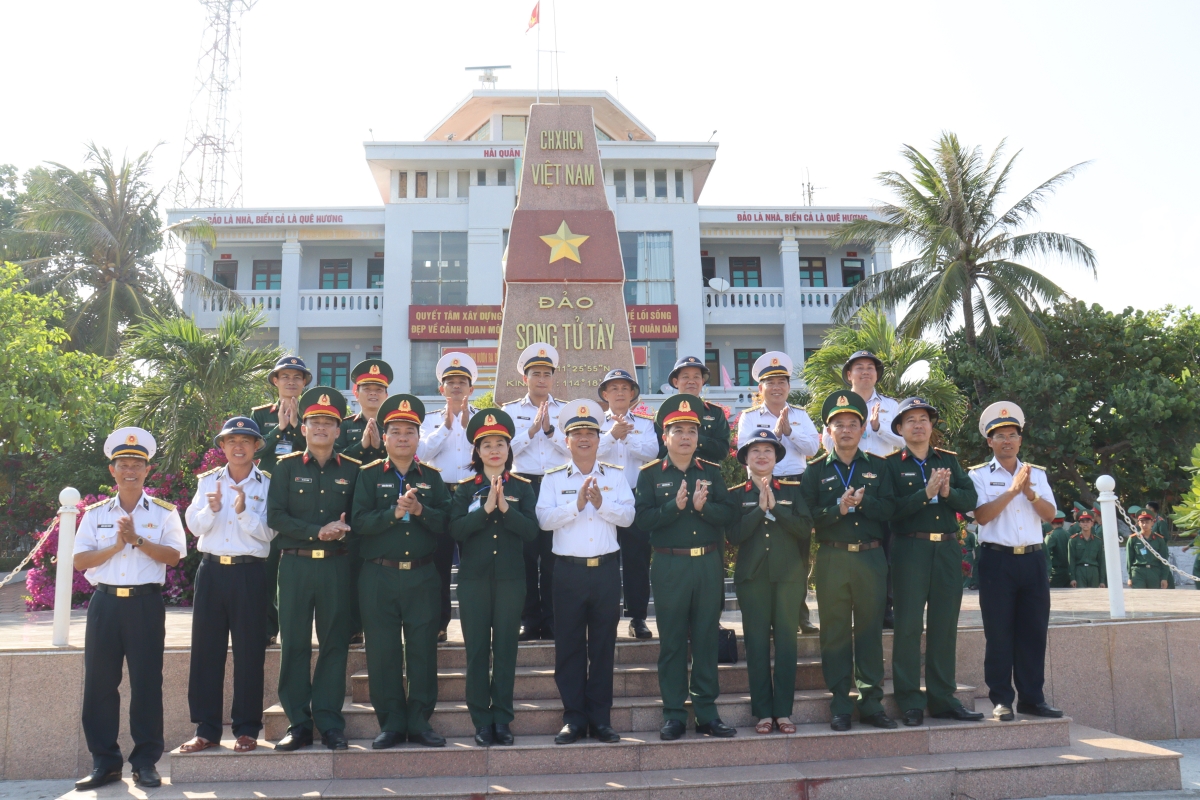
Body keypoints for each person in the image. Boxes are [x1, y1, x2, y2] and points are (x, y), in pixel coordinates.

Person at [72, 428, 187, 790]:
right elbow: (79, 561)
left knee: (147, 684)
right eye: (123, 464)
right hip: (105, 603)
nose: (130, 470)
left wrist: (137, 539)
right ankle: (104, 762)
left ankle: (145, 763)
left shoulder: (164, 513)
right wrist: (115, 545)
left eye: (137, 463)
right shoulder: (94, 514)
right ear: (113, 470)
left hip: (144, 604)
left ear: (148, 470)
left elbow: (174, 556)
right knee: (100, 685)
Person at [635, 394, 739, 740]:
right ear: (664, 437)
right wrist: (675, 508)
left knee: (707, 640)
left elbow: (728, 513)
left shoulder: (711, 472)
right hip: (669, 565)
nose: (684, 437)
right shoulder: (650, 475)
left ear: (697, 438)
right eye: (677, 430)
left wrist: (703, 508)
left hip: (707, 564)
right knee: (674, 643)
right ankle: (674, 714)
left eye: (691, 431)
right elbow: (642, 520)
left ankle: (707, 713)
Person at [351, 394, 451, 749]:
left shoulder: (433, 479)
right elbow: (359, 523)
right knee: (382, 651)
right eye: (396, 432)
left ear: (418, 438)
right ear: (386, 438)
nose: (403, 438)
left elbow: (446, 524)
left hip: (422, 576)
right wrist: (392, 514)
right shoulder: (367, 476)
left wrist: (420, 510)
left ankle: (420, 721)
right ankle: (392, 723)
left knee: (423, 649)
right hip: (378, 575)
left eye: (410, 432)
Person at [266, 387, 361, 751]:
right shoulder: (286, 467)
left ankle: (329, 721)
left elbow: (360, 516)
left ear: (339, 430)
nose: (321, 427)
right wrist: (316, 532)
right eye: (314, 421)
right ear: (303, 428)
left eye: (329, 422)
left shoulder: (353, 470)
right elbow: (275, 516)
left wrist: (343, 530)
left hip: (336, 568)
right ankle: (298, 723)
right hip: (294, 566)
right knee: (294, 645)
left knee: (335, 644)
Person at [537, 400, 636, 745]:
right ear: (566, 441)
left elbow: (627, 517)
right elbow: (544, 520)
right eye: (576, 433)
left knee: (604, 646)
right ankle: (574, 718)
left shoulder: (616, 476)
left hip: (606, 571)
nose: (583, 439)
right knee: (568, 646)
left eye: (590, 433)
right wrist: (576, 505)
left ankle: (601, 718)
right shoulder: (552, 479)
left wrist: (600, 504)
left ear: (599, 438)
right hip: (568, 573)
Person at [883, 397, 983, 726]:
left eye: (924, 418)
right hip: (910, 549)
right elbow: (890, 510)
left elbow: (971, 499)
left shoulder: (949, 462)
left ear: (931, 425)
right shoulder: (890, 464)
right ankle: (910, 700)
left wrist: (946, 494)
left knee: (944, 627)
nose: (918, 424)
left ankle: (942, 698)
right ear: (899, 428)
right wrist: (924, 494)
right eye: (910, 420)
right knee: (909, 626)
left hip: (947, 550)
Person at [799, 391, 896, 732]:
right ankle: (840, 703)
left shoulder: (879, 467)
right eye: (838, 424)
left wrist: (863, 504)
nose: (845, 430)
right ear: (828, 431)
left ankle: (871, 704)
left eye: (852, 424)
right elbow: (807, 516)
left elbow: (891, 510)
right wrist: (837, 509)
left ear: (862, 430)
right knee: (835, 634)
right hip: (832, 558)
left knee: (870, 631)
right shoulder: (813, 472)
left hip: (870, 557)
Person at [181, 417, 275, 756]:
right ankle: (206, 730)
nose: (238, 446)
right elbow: (193, 526)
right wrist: (212, 508)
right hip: (211, 572)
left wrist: (244, 511)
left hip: (250, 573)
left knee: (250, 652)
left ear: (255, 447)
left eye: (246, 441)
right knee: (207, 651)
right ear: (221, 446)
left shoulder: (266, 484)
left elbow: (269, 533)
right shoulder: (208, 481)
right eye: (231, 440)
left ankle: (247, 729)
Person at [448, 409, 539, 747]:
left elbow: (532, 531)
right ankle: (481, 721)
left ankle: (502, 718)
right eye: (487, 445)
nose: (494, 450)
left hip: (511, 581)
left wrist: (505, 510)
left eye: (500, 443)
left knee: (505, 650)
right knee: (476, 653)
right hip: (473, 581)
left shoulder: (523, 487)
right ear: (477, 451)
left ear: (509, 449)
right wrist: (485, 509)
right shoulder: (463, 489)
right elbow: (455, 529)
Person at [969, 401, 1062, 722]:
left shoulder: (1037, 474)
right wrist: (1012, 491)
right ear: (989, 442)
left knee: (1033, 632)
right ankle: (1002, 699)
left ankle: (1032, 699)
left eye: (1012, 434)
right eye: (1000, 436)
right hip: (997, 562)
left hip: (1033, 561)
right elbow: (981, 516)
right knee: (999, 633)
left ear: (1020, 440)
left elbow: (1051, 516)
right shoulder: (978, 475)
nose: (1007, 441)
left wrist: (1031, 493)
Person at [727, 429, 812, 735]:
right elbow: (733, 536)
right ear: (745, 459)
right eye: (755, 452)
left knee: (787, 644)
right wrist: (759, 510)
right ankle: (763, 712)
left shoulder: (792, 492)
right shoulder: (737, 494)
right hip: (753, 580)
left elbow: (804, 530)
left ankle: (783, 712)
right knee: (757, 644)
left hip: (788, 579)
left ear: (777, 458)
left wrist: (775, 507)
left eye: (768, 451)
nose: (762, 456)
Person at [736, 351, 822, 634]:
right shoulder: (749, 418)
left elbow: (813, 448)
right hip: (763, 484)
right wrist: (774, 435)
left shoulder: (800, 415)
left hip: (795, 485)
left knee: (798, 551)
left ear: (789, 386)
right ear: (760, 389)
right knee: (765, 548)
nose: (776, 387)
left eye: (782, 382)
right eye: (770, 383)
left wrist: (790, 433)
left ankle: (800, 614)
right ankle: (770, 613)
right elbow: (744, 452)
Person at [822, 351, 904, 629]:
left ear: (877, 375)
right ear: (849, 375)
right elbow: (826, 443)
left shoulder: (891, 406)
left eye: (871, 368)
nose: (866, 372)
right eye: (859, 368)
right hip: (846, 478)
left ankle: (885, 606)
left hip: (882, 479)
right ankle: (851, 603)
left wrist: (879, 428)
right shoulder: (838, 403)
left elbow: (905, 442)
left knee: (886, 544)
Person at [501, 343, 568, 640]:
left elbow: (573, 451)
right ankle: (530, 620)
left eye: (546, 374)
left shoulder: (566, 411)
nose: (541, 379)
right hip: (523, 485)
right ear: (525, 378)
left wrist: (551, 431)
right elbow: (504, 452)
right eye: (535, 374)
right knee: (526, 557)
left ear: (553, 378)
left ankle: (554, 619)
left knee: (554, 557)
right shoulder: (510, 411)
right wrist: (530, 431)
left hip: (555, 484)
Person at [419, 352, 481, 643]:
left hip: (472, 495)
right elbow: (420, 455)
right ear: (441, 389)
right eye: (451, 382)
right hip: (440, 495)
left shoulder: (482, 419)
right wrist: (446, 428)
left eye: (462, 382)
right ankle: (440, 624)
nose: (456, 387)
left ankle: (476, 624)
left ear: (471, 389)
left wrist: (471, 429)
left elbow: (492, 455)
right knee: (439, 565)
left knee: (474, 566)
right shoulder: (429, 421)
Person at [252, 355, 312, 646]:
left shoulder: (314, 416)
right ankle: (266, 628)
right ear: (275, 381)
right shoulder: (260, 414)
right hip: (267, 498)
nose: (291, 381)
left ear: (304, 383)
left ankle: (295, 629)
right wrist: (278, 428)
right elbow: (253, 450)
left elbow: (319, 448)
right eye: (285, 376)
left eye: (297, 377)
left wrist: (298, 424)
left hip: (302, 499)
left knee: (296, 568)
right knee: (266, 564)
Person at [595, 368, 658, 640]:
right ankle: (602, 616)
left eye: (625, 388)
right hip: (601, 497)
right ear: (605, 394)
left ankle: (638, 618)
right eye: (614, 388)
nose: (620, 392)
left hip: (635, 496)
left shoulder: (644, 423)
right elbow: (589, 451)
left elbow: (652, 453)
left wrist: (626, 435)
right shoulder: (594, 423)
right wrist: (611, 434)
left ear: (632, 394)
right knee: (603, 559)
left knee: (637, 560)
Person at [333, 358, 393, 645]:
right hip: (352, 509)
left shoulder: (396, 426)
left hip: (387, 510)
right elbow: (335, 462)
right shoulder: (344, 427)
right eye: (366, 388)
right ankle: (354, 627)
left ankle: (382, 626)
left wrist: (383, 446)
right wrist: (362, 447)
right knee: (353, 570)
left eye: (379, 389)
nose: (373, 394)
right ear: (355, 393)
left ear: (387, 395)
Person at [653, 355, 731, 464]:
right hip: (672, 476)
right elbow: (658, 451)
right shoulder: (664, 413)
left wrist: (695, 439)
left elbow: (722, 451)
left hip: (707, 477)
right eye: (685, 377)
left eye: (696, 377)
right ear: (676, 382)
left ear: (702, 381)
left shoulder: (715, 413)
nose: (691, 381)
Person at [1127, 511, 1170, 589]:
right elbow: (1129, 560)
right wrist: (1130, 577)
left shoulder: (1159, 539)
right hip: (1138, 571)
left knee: (1153, 597)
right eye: (1142, 522)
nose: (1144, 525)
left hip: (1154, 572)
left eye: (1147, 522)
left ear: (1152, 523)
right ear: (1138, 523)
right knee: (1139, 597)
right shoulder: (1133, 539)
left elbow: (1164, 559)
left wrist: (1164, 578)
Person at [1068, 513, 1106, 588]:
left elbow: (1101, 561)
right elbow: (1071, 560)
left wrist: (1102, 580)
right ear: (1079, 524)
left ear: (1092, 523)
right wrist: (1072, 578)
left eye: (1088, 521)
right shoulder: (1073, 540)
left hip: (1094, 571)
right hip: (1080, 571)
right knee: (1081, 596)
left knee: (1095, 596)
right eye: (1083, 522)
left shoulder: (1097, 541)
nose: (1085, 524)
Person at [1146, 502, 1175, 588]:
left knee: (1163, 566)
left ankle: (1170, 585)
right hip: (1151, 550)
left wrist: (1159, 545)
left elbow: (1165, 537)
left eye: (1148, 508)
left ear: (1153, 509)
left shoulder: (1160, 521)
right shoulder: (1150, 520)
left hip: (1159, 549)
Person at [1044, 511, 1072, 588]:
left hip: (1055, 573)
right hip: (1068, 572)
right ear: (1062, 522)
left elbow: (1046, 555)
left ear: (1051, 522)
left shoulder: (1051, 536)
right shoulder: (1068, 534)